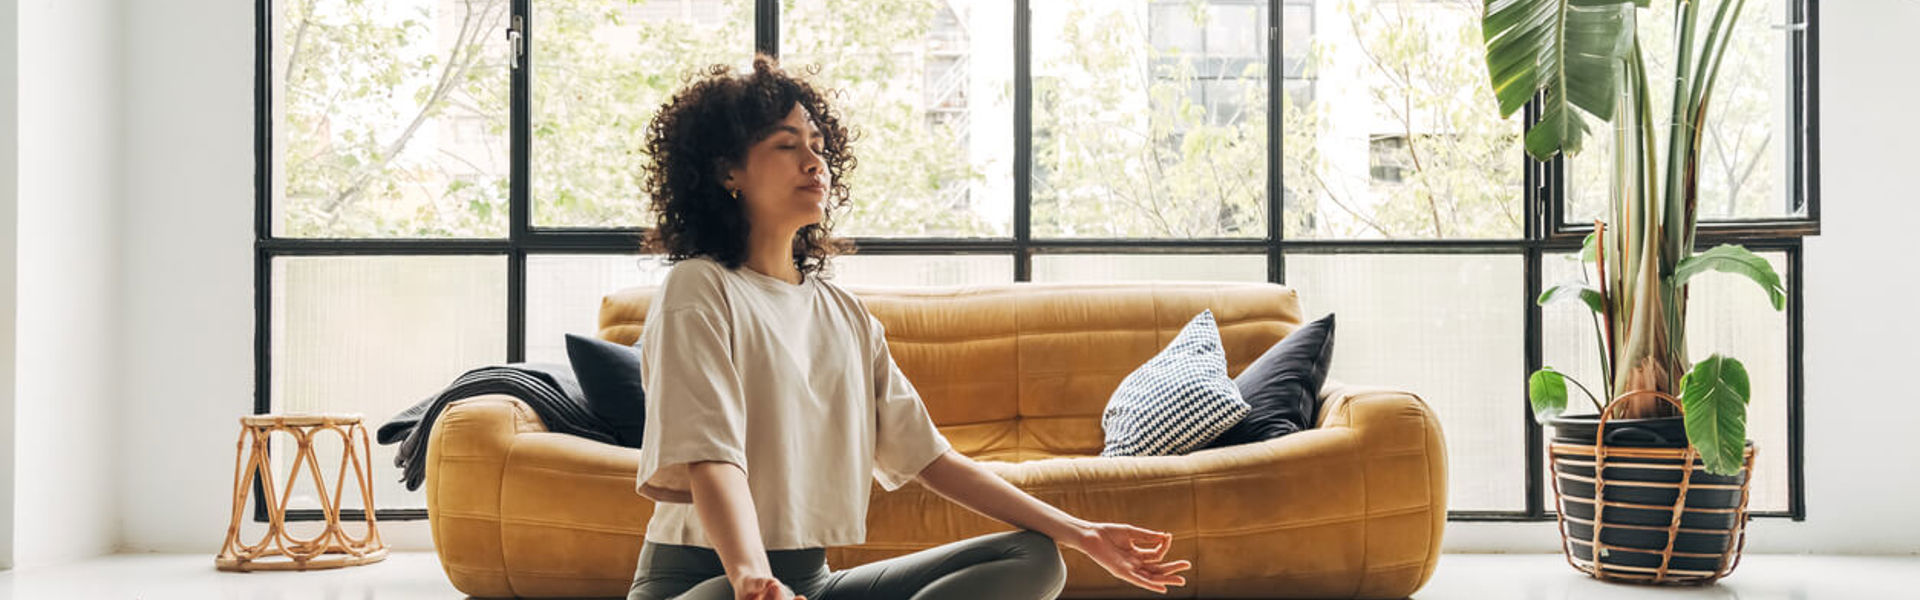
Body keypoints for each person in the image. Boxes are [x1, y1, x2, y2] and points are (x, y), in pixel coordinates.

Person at [626, 53, 1193, 600]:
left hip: (807, 584)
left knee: (1034, 558)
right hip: (708, 583)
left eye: (818, 145)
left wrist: (1082, 533)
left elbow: (931, 459)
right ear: (727, 171)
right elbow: (712, 457)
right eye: (786, 144)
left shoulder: (845, 315)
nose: (814, 162)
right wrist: (753, 579)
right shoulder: (700, 288)